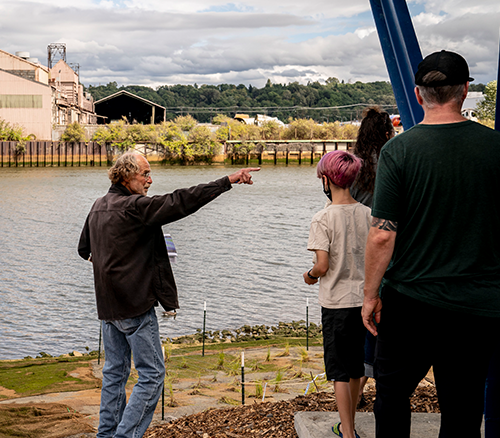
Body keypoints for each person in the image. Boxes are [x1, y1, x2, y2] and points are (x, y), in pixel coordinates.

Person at [361, 50, 500, 438]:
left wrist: (370, 295)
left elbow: (383, 233)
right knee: (463, 403)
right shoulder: (496, 148)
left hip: (410, 303)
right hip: (478, 305)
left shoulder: (399, 151)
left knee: (391, 395)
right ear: (466, 91)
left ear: (419, 95)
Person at [78, 152, 259, 438]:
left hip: (108, 307)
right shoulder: (135, 206)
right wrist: (228, 180)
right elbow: (181, 201)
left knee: (114, 374)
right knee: (152, 376)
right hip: (135, 306)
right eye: (145, 174)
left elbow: (84, 250)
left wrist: (113, 266)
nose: (150, 180)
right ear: (126, 176)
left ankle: (107, 435)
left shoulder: (98, 206)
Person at [303, 150, 371, 438]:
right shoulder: (369, 214)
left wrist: (309, 276)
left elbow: (322, 265)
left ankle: (348, 431)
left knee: (339, 372)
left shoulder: (322, 218)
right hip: (365, 301)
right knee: (357, 368)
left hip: (336, 303)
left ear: (327, 180)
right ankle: (348, 423)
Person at [349, 107, 395, 406]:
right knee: (378, 321)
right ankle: (382, 384)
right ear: (388, 133)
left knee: (359, 318)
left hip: (355, 243)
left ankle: (354, 392)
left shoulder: (353, 164)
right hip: (386, 244)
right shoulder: (393, 159)